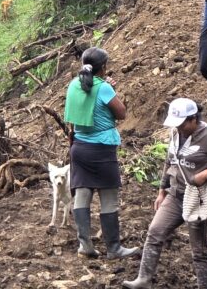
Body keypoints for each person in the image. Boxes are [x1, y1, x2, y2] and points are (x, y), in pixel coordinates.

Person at [123, 98, 207, 289]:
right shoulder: (176, 133)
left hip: (198, 197)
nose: (179, 128)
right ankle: (144, 279)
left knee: (200, 251)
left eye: (182, 124)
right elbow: (169, 162)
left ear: (192, 119)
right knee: (155, 232)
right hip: (175, 194)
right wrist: (161, 191)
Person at [63, 48, 140, 259]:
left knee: (82, 193)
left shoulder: (73, 84)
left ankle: (85, 245)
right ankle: (114, 247)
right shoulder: (104, 88)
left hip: (79, 147)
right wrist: (110, 90)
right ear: (103, 67)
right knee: (108, 197)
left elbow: (84, 103)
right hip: (102, 149)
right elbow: (121, 113)